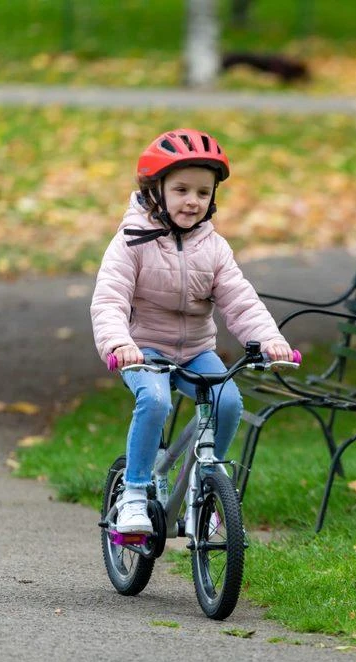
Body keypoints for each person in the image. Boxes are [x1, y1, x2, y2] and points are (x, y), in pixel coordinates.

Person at [91, 128, 293, 534]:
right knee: (155, 401)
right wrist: (119, 343)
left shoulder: (214, 248)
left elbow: (240, 300)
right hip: (143, 348)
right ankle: (133, 492)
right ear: (155, 191)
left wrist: (271, 340)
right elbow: (109, 300)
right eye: (181, 189)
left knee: (229, 402)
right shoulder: (132, 241)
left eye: (202, 193)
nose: (192, 201)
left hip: (196, 350)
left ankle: (206, 487)